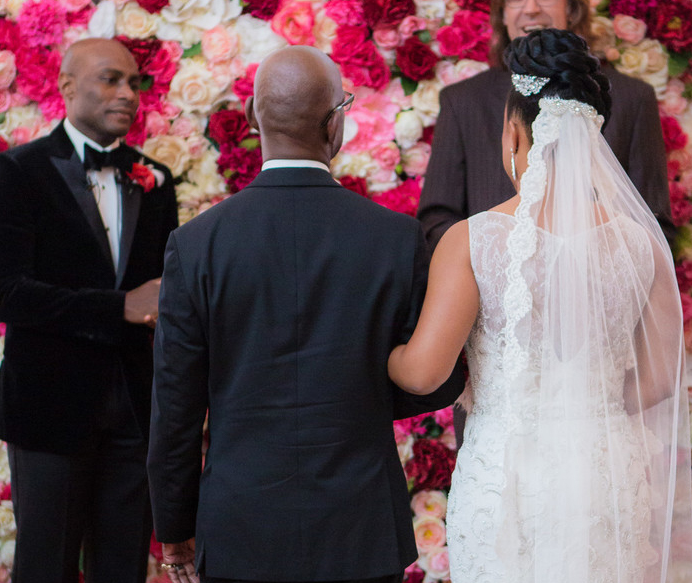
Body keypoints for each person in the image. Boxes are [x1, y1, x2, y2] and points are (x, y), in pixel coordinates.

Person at [147, 45, 465, 583]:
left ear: (252, 119)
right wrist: (357, 388)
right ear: (335, 122)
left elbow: (176, 406)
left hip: (240, 526)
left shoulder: (197, 245)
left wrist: (174, 529)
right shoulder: (395, 238)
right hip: (360, 527)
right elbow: (436, 381)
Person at [389, 29, 692, 583]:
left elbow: (425, 371)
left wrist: (380, 350)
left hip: (508, 480)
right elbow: (659, 379)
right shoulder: (641, 243)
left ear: (512, 131)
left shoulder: (473, 241)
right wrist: (590, 405)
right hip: (605, 476)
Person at [0, 38, 179, 583]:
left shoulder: (155, 180)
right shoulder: (18, 172)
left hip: (137, 411)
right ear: (67, 86)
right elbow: (9, 296)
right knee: (46, 568)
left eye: (136, 82)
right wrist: (120, 307)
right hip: (49, 407)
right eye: (112, 79)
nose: (129, 94)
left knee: (124, 570)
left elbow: (166, 298)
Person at [417, 0, 672, 250]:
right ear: (503, 11)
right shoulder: (463, 101)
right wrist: (501, 265)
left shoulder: (632, 98)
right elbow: (436, 220)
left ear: (572, 7)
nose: (531, 7)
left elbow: (655, 225)